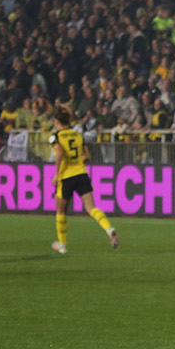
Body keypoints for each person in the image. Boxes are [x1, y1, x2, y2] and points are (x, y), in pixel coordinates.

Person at [49, 105, 118, 254]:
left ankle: (62, 245)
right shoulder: (78, 136)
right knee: (91, 208)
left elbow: (59, 153)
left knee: (60, 210)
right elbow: (87, 156)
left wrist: (56, 173)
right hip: (81, 174)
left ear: (56, 121)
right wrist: (76, 162)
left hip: (66, 177)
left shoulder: (55, 136)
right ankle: (108, 228)